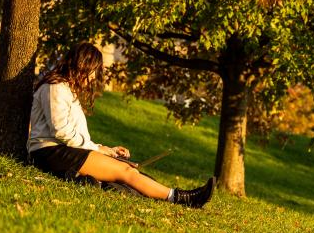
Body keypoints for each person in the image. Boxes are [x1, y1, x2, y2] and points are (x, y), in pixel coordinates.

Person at [27, 43, 214, 208]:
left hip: (63, 150)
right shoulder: (55, 87)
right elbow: (61, 131)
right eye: (93, 70)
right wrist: (97, 149)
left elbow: (74, 135)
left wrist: (105, 149)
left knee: (127, 171)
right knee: (124, 171)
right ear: (81, 65)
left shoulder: (66, 90)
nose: (93, 78)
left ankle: (172, 195)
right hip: (49, 152)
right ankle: (182, 198)